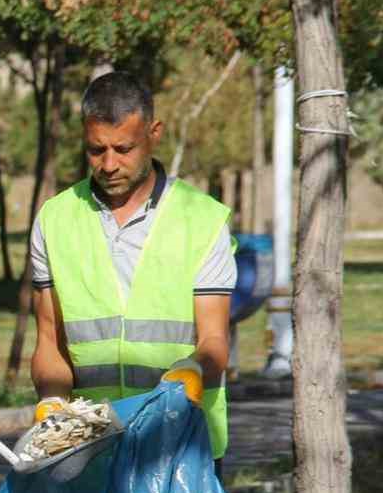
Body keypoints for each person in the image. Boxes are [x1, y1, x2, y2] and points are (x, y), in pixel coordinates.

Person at [29, 70, 236, 469]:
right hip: (92, 446)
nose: (109, 164)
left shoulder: (203, 219)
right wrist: (51, 401)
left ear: (154, 133)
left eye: (124, 149)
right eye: (96, 150)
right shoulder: (54, 219)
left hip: (183, 444)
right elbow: (49, 341)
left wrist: (191, 374)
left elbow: (214, 340)